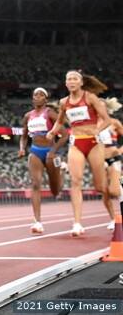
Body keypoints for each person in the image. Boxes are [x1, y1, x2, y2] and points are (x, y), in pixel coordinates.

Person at [47, 71, 112, 236]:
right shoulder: (64, 102)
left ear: (81, 82)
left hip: (94, 142)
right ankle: (77, 223)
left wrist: (97, 130)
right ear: (66, 83)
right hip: (76, 143)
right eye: (68, 79)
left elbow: (107, 119)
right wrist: (53, 132)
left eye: (75, 78)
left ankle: (113, 216)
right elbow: (60, 121)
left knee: (100, 186)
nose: (71, 81)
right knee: (76, 182)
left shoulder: (90, 98)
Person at [18, 88, 67, 233]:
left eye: (41, 95)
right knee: (35, 184)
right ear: (32, 99)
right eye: (35, 95)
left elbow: (64, 135)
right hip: (35, 151)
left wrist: (53, 151)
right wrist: (22, 148)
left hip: (50, 152)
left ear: (46, 99)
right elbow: (24, 135)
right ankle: (37, 221)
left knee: (55, 191)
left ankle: (62, 172)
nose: (37, 97)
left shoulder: (50, 114)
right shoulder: (28, 116)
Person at [95, 99, 123, 230]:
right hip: (99, 161)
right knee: (104, 192)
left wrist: (120, 150)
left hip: (113, 158)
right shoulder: (92, 125)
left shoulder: (114, 122)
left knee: (114, 190)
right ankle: (113, 219)